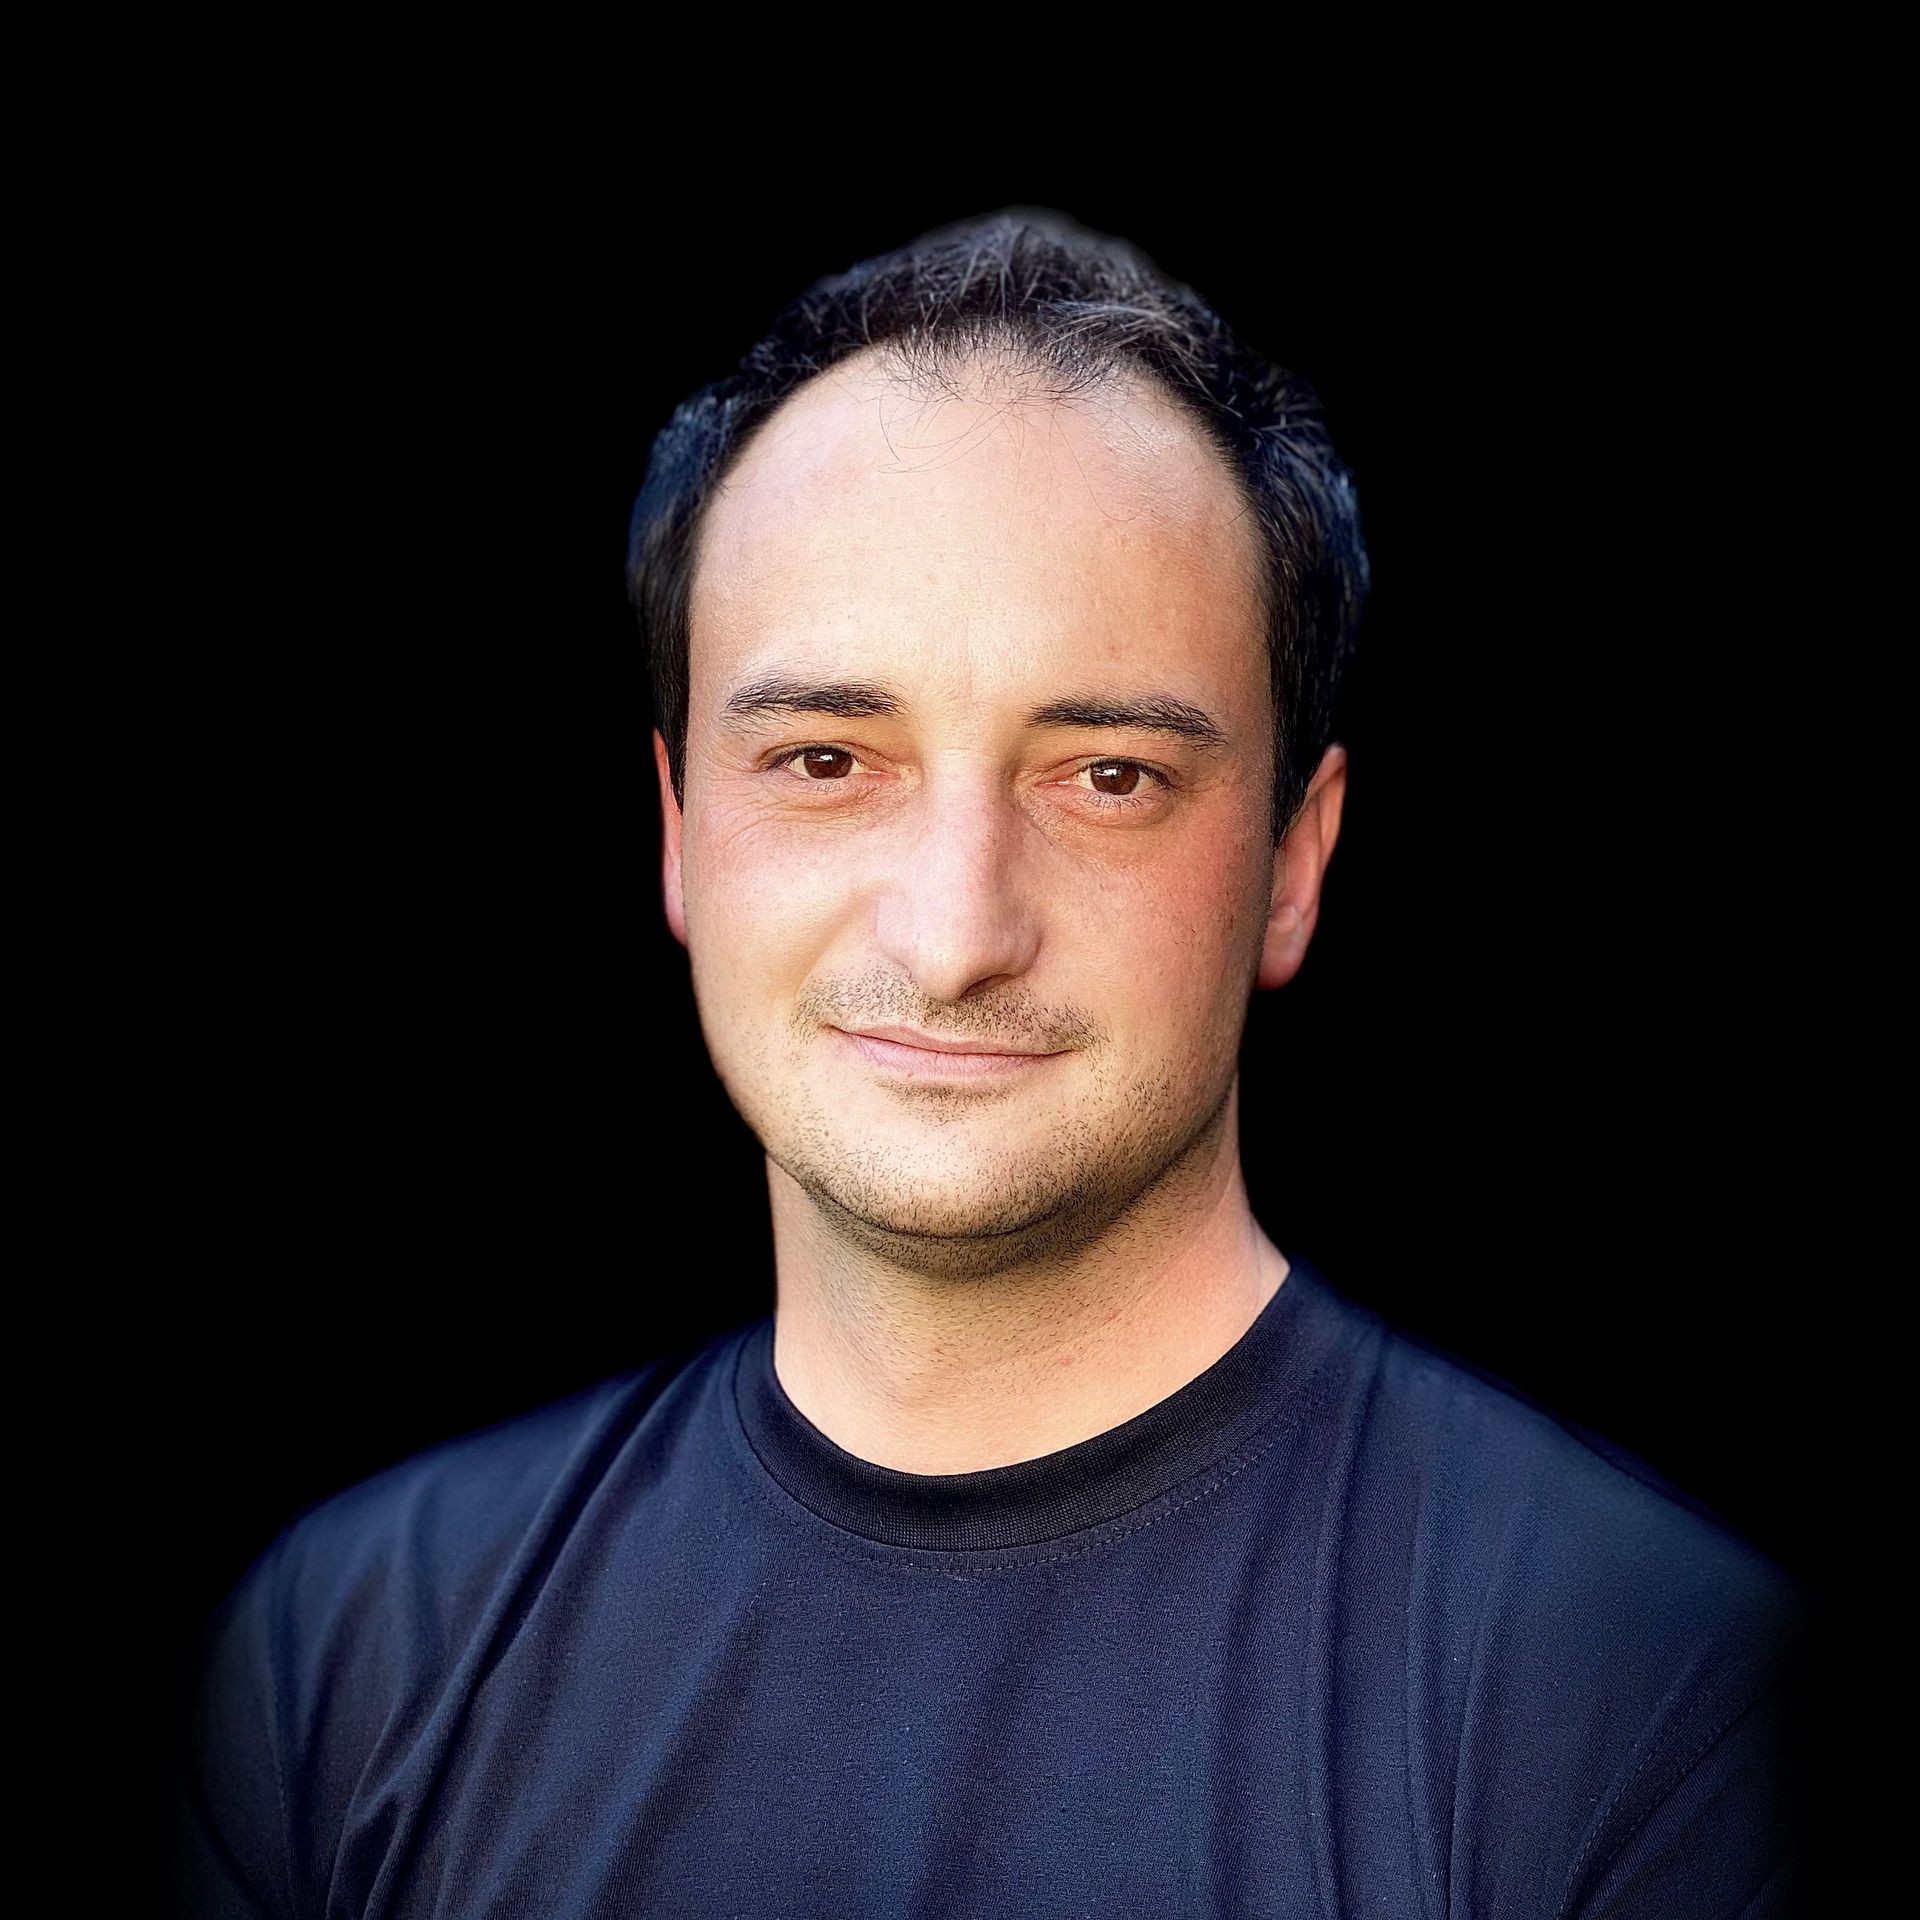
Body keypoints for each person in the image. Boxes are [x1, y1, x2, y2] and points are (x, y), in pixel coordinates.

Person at [168, 208, 1807, 1917]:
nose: (956, 933)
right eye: (825, 758)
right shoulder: (344, 1661)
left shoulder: (1648, 1701)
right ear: (675, 832)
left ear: (1296, 863)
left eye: (1106, 778)